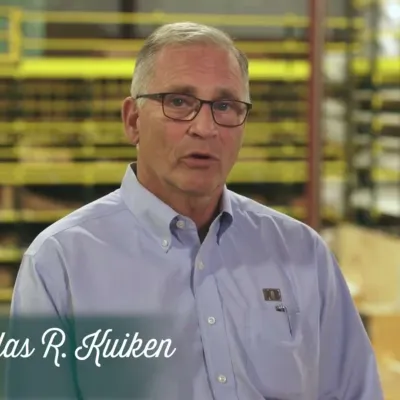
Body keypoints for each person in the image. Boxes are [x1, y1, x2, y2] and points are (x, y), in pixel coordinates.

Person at [9, 22, 383, 400]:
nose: (205, 127)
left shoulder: (303, 254)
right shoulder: (60, 263)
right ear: (133, 121)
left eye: (225, 106)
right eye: (178, 102)